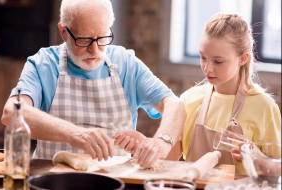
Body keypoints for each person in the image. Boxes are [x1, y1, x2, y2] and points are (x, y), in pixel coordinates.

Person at [0, 0, 186, 164]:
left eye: (102, 38)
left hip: (116, 180)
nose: (95, 50)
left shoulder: (126, 64)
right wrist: (75, 134)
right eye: (84, 40)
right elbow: (11, 113)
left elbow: (174, 105)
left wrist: (161, 142)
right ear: (63, 32)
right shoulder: (44, 64)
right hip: (52, 179)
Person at [114, 13, 281, 174]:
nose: (208, 68)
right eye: (203, 58)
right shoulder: (190, 99)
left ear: (243, 58)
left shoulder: (264, 108)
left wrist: (256, 156)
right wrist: (143, 145)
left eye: (218, 61)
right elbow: (168, 162)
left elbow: (277, 171)